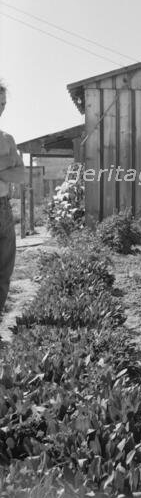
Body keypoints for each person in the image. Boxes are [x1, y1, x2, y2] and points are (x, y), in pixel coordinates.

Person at [0, 80, 25, 319]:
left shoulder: (7, 139)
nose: (1, 109)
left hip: (3, 208)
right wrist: (5, 164)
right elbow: (12, 169)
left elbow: (20, 174)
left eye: (3, 104)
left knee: (4, 269)